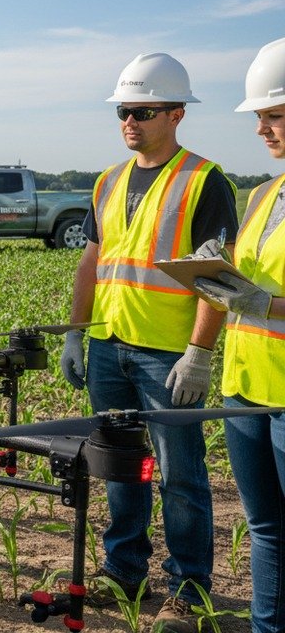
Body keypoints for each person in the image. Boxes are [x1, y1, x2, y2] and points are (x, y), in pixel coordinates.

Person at [60, 53, 237, 632]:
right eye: (122, 111)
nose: (129, 121)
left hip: (168, 353)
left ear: (177, 114)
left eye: (141, 110)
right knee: (120, 465)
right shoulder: (107, 181)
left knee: (180, 474)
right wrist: (74, 335)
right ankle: (124, 570)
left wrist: (199, 353)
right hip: (108, 344)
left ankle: (188, 587)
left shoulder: (204, 180)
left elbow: (217, 276)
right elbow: (92, 261)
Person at [190, 37, 285, 633]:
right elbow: (247, 280)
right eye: (261, 118)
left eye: (273, 116)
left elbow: (264, 297)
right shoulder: (263, 194)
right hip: (246, 386)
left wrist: (265, 302)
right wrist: (218, 273)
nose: (262, 131)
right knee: (267, 528)